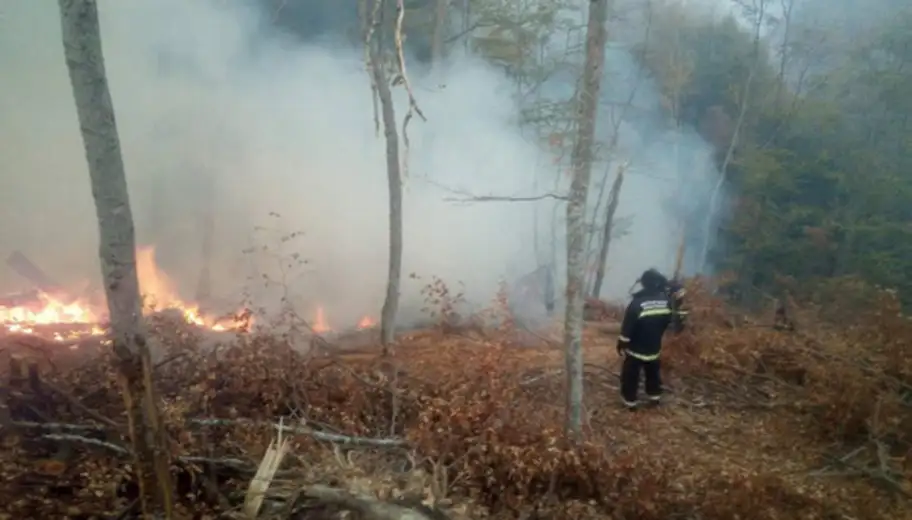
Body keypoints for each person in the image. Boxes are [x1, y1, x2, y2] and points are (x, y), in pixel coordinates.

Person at [616, 268, 685, 410]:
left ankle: (630, 402)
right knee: (652, 373)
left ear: (644, 283)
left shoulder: (637, 303)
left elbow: (627, 328)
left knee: (631, 376)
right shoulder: (665, 301)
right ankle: (654, 397)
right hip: (654, 348)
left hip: (636, 349)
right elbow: (671, 322)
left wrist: (622, 343)